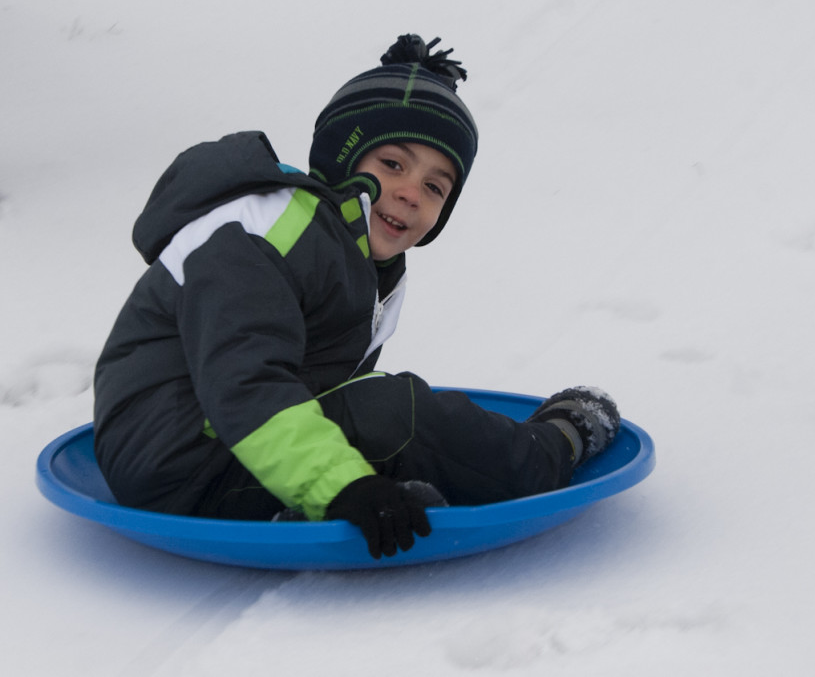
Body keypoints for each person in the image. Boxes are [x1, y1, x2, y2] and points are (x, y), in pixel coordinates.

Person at [92, 34, 620, 560]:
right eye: (393, 164)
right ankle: (551, 452)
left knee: (381, 407)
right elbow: (245, 381)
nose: (412, 193)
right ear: (344, 159)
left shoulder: (363, 262)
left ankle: (295, 506)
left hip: (232, 451)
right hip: (182, 466)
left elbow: (327, 391)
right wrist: (342, 486)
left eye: (436, 187)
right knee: (401, 414)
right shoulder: (263, 228)